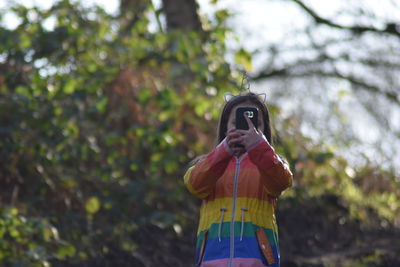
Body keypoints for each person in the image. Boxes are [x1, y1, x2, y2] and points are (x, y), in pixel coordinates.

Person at [183, 92, 293, 267]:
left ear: (265, 130)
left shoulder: (271, 163)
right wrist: (222, 153)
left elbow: (281, 182)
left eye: (255, 125)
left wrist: (260, 149)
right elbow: (195, 185)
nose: (247, 129)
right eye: (238, 123)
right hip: (213, 260)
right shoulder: (208, 163)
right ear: (226, 127)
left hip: (257, 261)